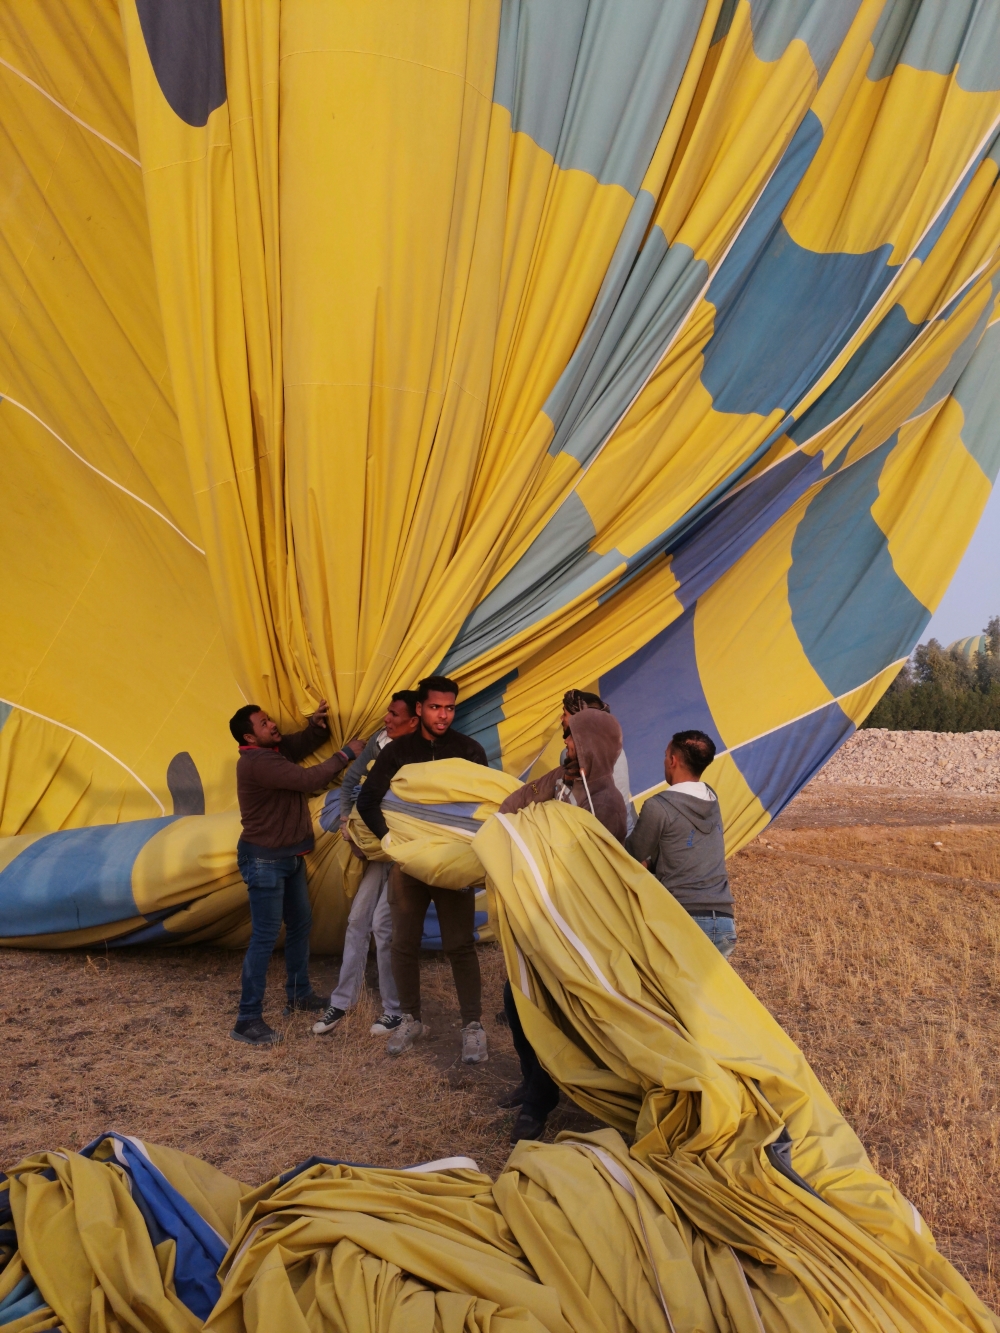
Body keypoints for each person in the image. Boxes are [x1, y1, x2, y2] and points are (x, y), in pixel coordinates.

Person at [496, 708, 626, 1143]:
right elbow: (511, 809)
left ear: (594, 743)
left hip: (573, 927)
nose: (567, 745)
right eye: (566, 737)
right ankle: (529, 1079)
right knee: (516, 1003)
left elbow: (595, 867)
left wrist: (543, 830)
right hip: (532, 915)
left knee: (556, 1013)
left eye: (573, 739)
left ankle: (538, 1103)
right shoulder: (554, 782)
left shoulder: (606, 802)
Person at [357, 675, 490, 1063]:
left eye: (450, 708)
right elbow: (368, 800)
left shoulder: (468, 750)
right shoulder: (398, 751)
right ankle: (410, 1019)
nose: (443, 715)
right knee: (403, 942)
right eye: (435, 707)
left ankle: (472, 1027)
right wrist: (392, 843)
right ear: (420, 708)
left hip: (453, 866)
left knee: (460, 945)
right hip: (409, 865)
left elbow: (483, 809)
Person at [229, 700, 364, 1047]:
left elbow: (297, 746)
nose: (272, 725)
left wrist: (317, 729)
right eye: (264, 723)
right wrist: (346, 753)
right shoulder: (258, 762)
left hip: (288, 856)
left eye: (269, 719)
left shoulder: (272, 750)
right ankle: (247, 1019)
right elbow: (307, 779)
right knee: (264, 936)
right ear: (249, 736)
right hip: (266, 861)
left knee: (301, 924)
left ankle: (298, 994)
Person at [312, 691, 420, 1038]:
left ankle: (394, 1010)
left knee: (383, 926)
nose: (386, 718)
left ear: (413, 722)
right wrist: (347, 823)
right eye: (387, 712)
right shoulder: (379, 740)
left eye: (394, 714)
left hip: (403, 853)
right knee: (357, 919)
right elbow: (350, 782)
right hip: (376, 850)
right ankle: (342, 1001)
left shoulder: (420, 754)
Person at [625, 729, 735, 958]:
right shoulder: (712, 799)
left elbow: (631, 856)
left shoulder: (658, 806)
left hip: (683, 918)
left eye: (666, 755)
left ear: (673, 760)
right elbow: (685, 847)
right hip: (724, 921)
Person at [560, 689, 637, 833]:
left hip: (608, 835)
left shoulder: (568, 754)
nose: (561, 718)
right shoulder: (615, 748)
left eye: (565, 714)